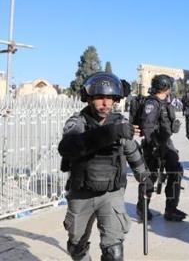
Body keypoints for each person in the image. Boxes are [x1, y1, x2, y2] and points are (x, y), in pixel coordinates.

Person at [58, 72, 153, 261]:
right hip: (81, 194)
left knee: (114, 252)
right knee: (76, 246)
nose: (105, 103)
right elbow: (67, 147)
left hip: (111, 194)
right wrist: (111, 133)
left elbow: (132, 151)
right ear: (89, 98)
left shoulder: (120, 123)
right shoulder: (77, 122)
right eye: (100, 97)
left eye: (109, 98)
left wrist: (144, 177)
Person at [137, 74, 187, 222]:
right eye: (170, 86)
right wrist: (154, 147)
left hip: (166, 142)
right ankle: (142, 208)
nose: (172, 89)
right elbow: (147, 127)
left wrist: (173, 127)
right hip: (154, 145)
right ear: (165, 87)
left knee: (175, 171)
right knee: (150, 177)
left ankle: (171, 209)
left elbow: (165, 123)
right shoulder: (152, 103)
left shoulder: (165, 102)